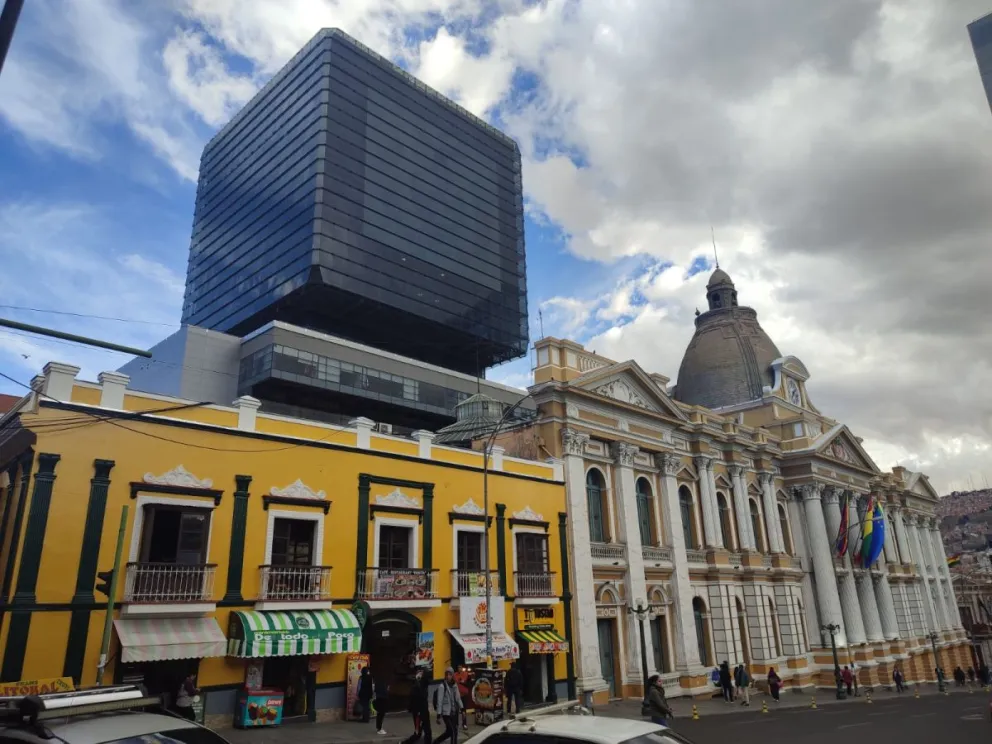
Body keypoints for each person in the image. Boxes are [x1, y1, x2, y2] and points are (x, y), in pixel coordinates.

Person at [432, 667, 463, 744]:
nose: (448, 676)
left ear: (452, 675)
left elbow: (458, 698)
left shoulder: (454, 685)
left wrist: (462, 709)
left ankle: (435, 742)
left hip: (453, 712)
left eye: (450, 674)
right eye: (447, 675)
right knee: (453, 732)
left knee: (450, 732)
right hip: (446, 713)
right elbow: (439, 701)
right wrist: (438, 715)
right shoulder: (442, 686)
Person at [402, 669, 432, 744]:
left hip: (424, 711)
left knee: (428, 731)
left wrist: (423, 676)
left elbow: (427, 679)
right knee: (418, 733)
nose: (420, 674)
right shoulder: (414, 685)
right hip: (417, 713)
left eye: (421, 673)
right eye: (419, 673)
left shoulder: (424, 683)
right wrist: (411, 708)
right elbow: (412, 698)